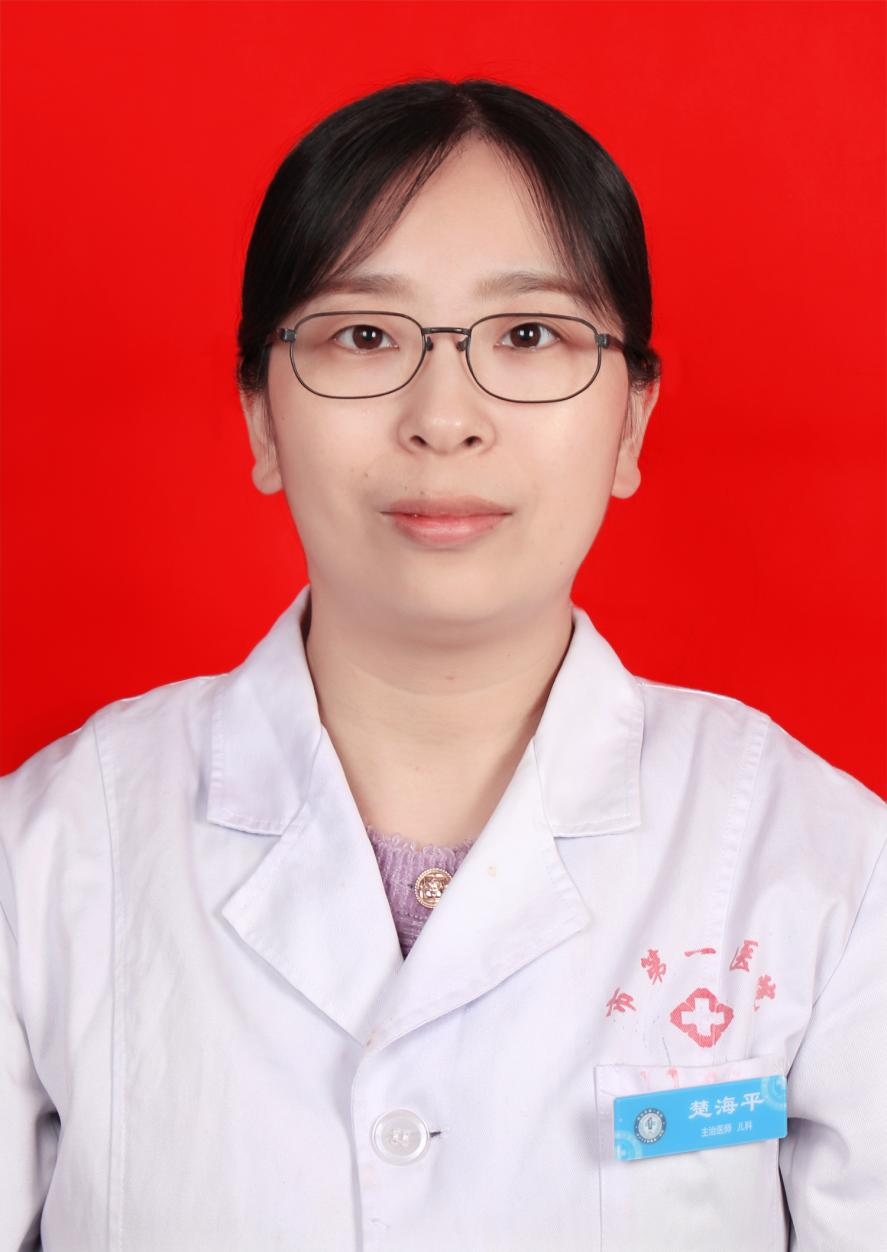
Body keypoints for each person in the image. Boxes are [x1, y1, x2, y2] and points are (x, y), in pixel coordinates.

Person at [1, 77, 884, 1252]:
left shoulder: (820, 866)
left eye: (528, 335)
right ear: (262, 417)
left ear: (629, 423)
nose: (444, 415)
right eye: (364, 335)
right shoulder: (52, 855)